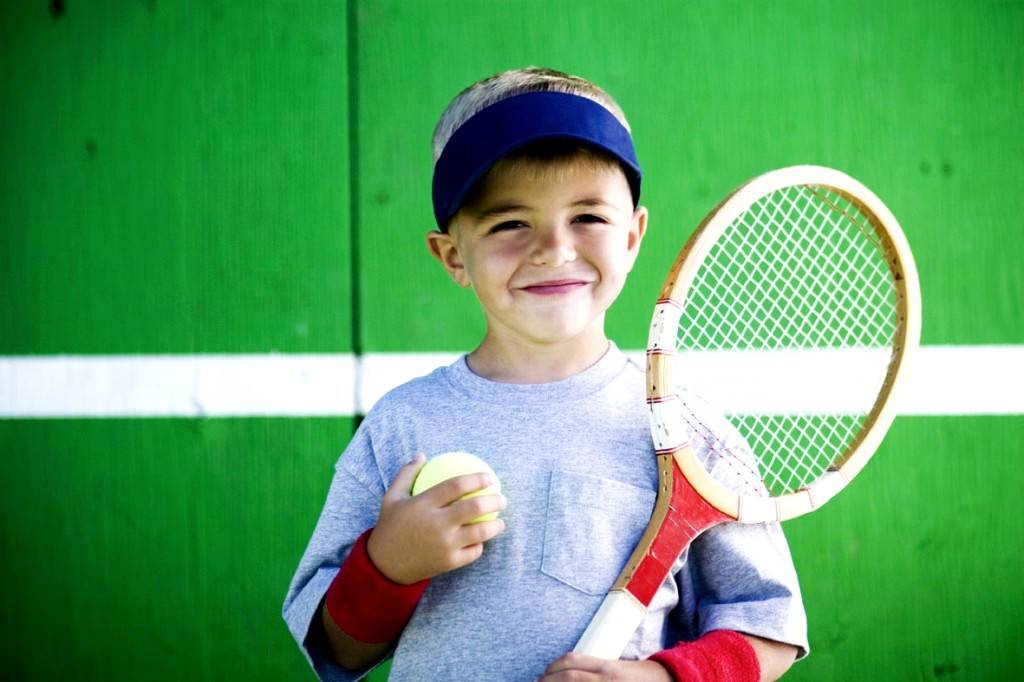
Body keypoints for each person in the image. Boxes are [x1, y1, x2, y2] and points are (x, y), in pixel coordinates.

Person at [283, 67, 808, 681]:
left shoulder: (688, 430)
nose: (555, 249)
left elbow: (768, 627)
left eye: (588, 217)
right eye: (509, 223)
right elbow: (335, 650)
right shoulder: (402, 424)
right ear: (452, 256)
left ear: (633, 236)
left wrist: (660, 678)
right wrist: (387, 566)